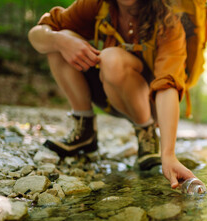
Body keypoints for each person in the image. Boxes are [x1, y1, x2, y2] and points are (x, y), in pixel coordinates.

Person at [28, 0, 196, 189]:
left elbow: (168, 85)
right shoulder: (97, 5)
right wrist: (60, 41)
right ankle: (85, 130)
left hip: (149, 103)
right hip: (106, 90)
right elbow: (36, 35)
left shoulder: (168, 21)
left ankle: (146, 133)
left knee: (111, 59)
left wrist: (168, 154)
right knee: (61, 37)